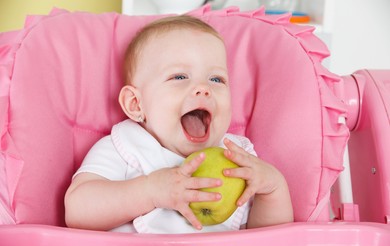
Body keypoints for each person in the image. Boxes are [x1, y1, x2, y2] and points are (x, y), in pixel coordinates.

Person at [64, 15, 293, 234]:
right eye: (180, 77)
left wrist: (273, 190)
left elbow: (271, 241)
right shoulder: (123, 148)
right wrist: (149, 191)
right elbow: (77, 211)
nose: (204, 88)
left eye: (216, 79)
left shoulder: (239, 160)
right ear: (136, 103)